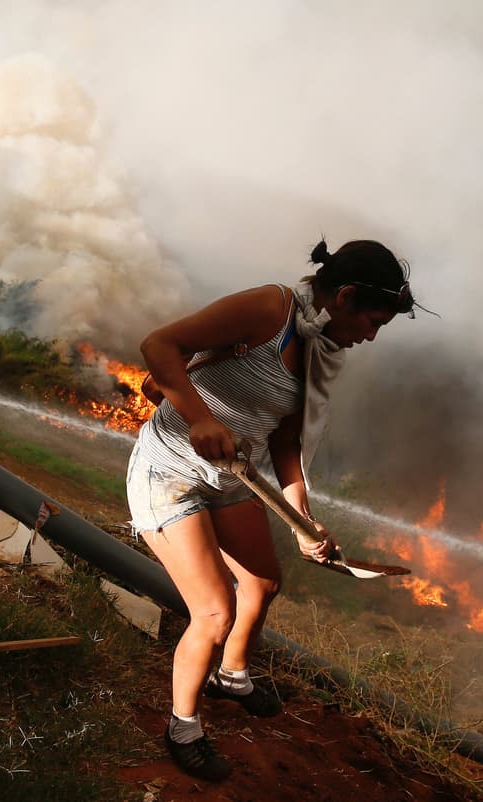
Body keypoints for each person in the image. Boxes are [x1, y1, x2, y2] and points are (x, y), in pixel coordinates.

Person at [128, 238, 424, 780]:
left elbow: (286, 442)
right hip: (168, 471)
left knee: (262, 585)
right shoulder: (271, 309)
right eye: (372, 321)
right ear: (346, 296)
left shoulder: (320, 346)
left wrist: (302, 521)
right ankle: (183, 727)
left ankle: (232, 677)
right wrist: (198, 417)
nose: (371, 336)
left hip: (234, 474)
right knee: (215, 611)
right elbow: (159, 344)